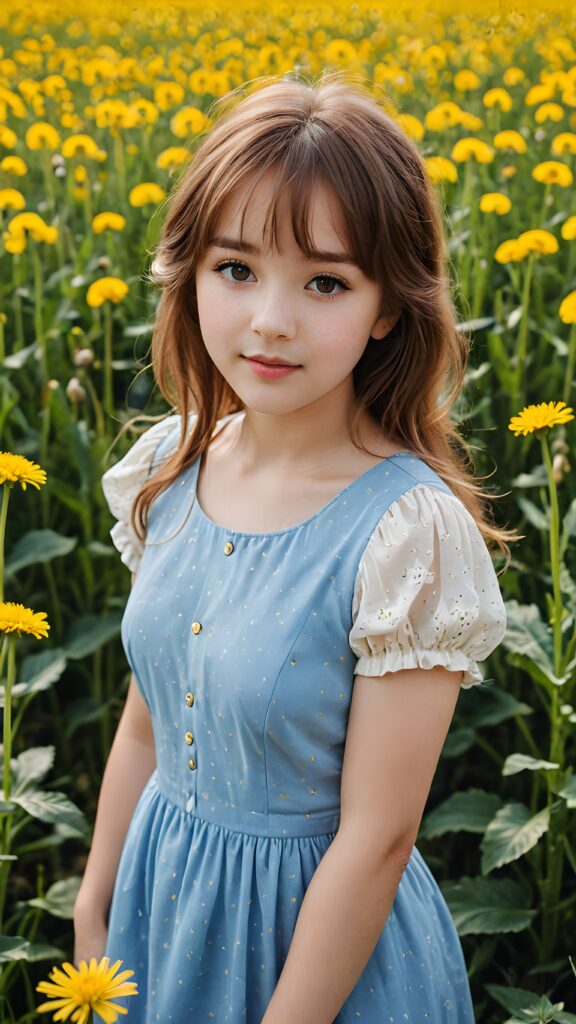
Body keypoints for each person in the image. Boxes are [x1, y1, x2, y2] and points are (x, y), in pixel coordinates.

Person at [74, 70, 515, 1023]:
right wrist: (95, 898)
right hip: (165, 909)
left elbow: (379, 836)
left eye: (324, 282)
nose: (271, 320)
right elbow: (148, 718)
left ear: (389, 307)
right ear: (190, 274)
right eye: (236, 270)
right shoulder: (171, 462)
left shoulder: (406, 534)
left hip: (317, 961)